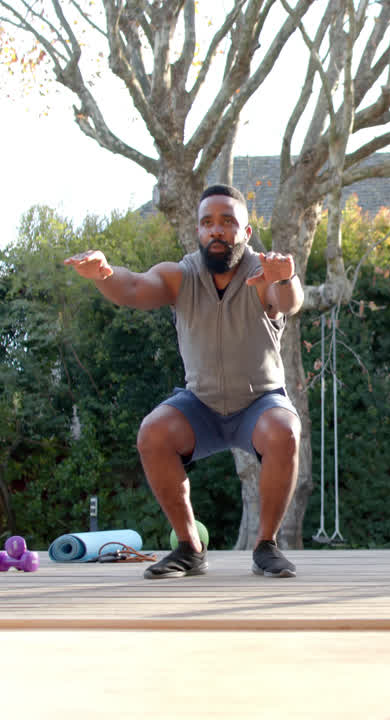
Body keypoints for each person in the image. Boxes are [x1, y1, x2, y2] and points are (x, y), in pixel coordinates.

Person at [63, 184, 303, 580]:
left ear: (245, 231)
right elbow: (135, 288)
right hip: (201, 405)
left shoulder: (264, 272)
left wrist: (286, 278)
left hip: (259, 403)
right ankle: (189, 548)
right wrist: (104, 274)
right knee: (153, 433)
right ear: (198, 231)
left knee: (286, 431)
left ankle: (267, 546)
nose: (216, 230)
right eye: (207, 223)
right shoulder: (180, 274)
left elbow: (287, 302)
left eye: (227, 222)